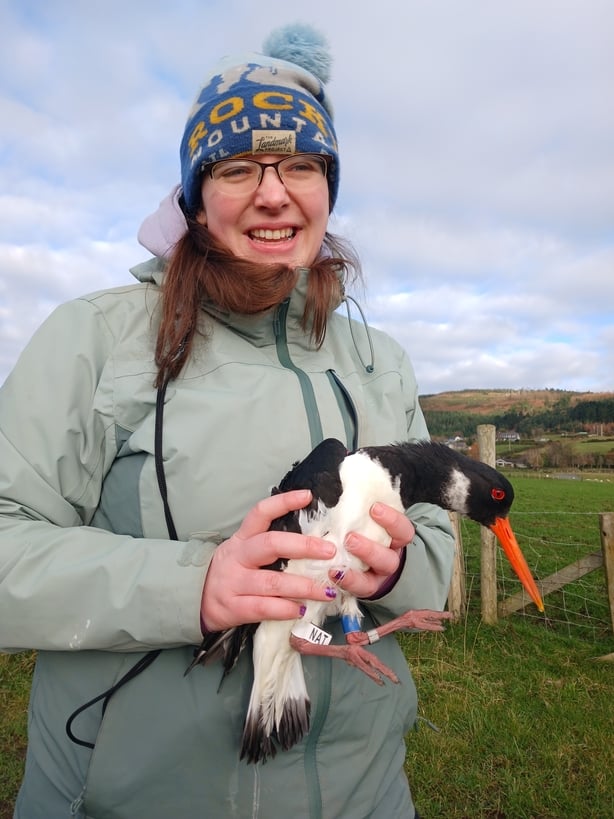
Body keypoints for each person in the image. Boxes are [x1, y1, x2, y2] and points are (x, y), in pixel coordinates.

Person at [0, 23, 454, 819]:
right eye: (239, 166)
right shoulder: (96, 338)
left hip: (366, 794)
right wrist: (195, 585)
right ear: (194, 198)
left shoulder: (380, 358)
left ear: (328, 187)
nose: (274, 193)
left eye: (303, 166)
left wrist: (387, 571)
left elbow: (438, 563)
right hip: (130, 797)